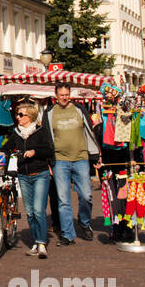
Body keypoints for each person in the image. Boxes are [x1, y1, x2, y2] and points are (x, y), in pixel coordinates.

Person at [46, 83, 101, 245]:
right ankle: (68, 234)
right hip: (60, 160)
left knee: (86, 195)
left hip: (80, 158)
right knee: (63, 199)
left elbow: (89, 131)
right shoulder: (49, 113)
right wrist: (49, 161)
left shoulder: (79, 109)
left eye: (67, 94)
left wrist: (96, 154)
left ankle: (84, 223)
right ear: (56, 95)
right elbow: (47, 137)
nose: (64, 98)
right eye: (61, 95)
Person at [0, 100, 54, 257]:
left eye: (20, 114)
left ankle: (42, 243)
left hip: (40, 174)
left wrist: (34, 152)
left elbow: (49, 151)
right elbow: (7, 148)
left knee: (38, 210)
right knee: (29, 212)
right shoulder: (16, 132)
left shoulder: (41, 131)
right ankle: (36, 242)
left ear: (30, 116)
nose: (17, 117)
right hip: (23, 175)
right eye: (17, 114)